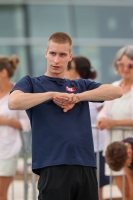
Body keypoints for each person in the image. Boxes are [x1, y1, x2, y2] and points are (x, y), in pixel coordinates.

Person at [8, 32, 122, 200]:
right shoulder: (31, 83)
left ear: (70, 56)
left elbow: (116, 91)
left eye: (62, 55)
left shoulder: (80, 85)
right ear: (46, 53)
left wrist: (78, 97)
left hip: (86, 165)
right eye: (53, 53)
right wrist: (50, 95)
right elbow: (14, 102)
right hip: (52, 166)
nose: (56, 60)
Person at [66, 56, 109, 200]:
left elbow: (105, 111)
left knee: (96, 190)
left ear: (77, 71)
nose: (66, 70)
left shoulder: (91, 87)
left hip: (95, 148)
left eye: (69, 67)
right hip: (75, 148)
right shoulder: (67, 87)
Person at [97, 45, 133, 196]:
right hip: (115, 150)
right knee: (126, 194)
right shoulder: (113, 87)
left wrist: (114, 123)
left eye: (130, 65)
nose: (125, 68)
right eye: (121, 64)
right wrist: (102, 120)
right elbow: (104, 112)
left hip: (131, 149)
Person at [0, 55, 31, 200]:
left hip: (7, 150)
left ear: (3, 73)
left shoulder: (17, 94)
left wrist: (5, 121)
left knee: (1, 194)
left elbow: (27, 124)